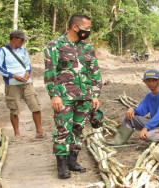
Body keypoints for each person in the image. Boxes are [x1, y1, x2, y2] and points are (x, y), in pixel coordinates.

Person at [44, 14, 102, 179]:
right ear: (75, 27)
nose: (89, 31)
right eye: (87, 28)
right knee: (63, 129)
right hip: (64, 97)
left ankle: (73, 161)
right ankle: (62, 165)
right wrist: (54, 95)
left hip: (85, 97)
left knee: (78, 129)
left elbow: (95, 72)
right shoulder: (55, 46)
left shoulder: (87, 47)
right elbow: (50, 73)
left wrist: (95, 95)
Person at [100, 70, 159, 146]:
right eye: (148, 81)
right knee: (129, 118)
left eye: (154, 80)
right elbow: (141, 111)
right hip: (157, 125)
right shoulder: (149, 96)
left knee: (147, 136)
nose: (151, 83)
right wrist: (132, 109)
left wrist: (146, 128)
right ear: (144, 82)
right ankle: (117, 143)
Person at [0, 30, 45, 142]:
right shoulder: (2, 51)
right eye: (21, 40)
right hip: (12, 84)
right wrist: (13, 76)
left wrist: (27, 72)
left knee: (35, 106)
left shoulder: (23, 50)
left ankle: (39, 131)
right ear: (14, 39)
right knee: (14, 109)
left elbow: (27, 63)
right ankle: (17, 133)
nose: (23, 42)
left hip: (27, 82)